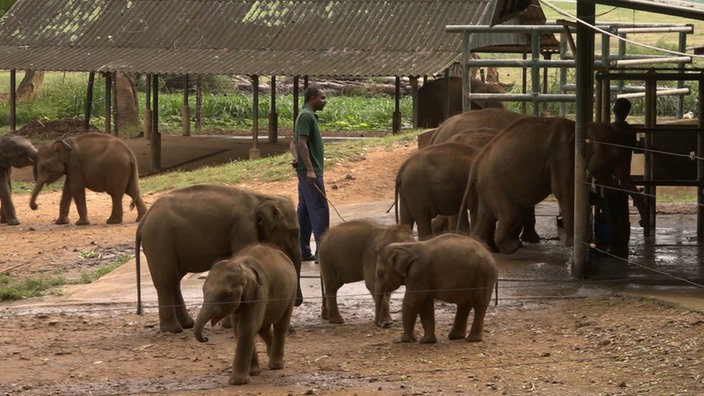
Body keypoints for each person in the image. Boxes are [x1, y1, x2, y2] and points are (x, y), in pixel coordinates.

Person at [290, 85, 330, 261]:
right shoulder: (306, 116)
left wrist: (297, 158)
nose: (324, 101)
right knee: (320, 209)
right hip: (311, 172)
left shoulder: (305, 115)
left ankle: (301, 250)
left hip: (305, 170)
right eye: (322, 98)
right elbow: (301, 143)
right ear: (312, 98)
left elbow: (293, 142)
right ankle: (323, 250)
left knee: (305, 211)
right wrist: (310, 169)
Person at [601, 98, 638, 257]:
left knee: (611, 211)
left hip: (609, 177)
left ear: (614, 111)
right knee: (623, 210)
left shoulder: (609, 131)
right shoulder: (631, 131)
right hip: (625, 176)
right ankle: (622, 244)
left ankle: (615, 245)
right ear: (627, 112)